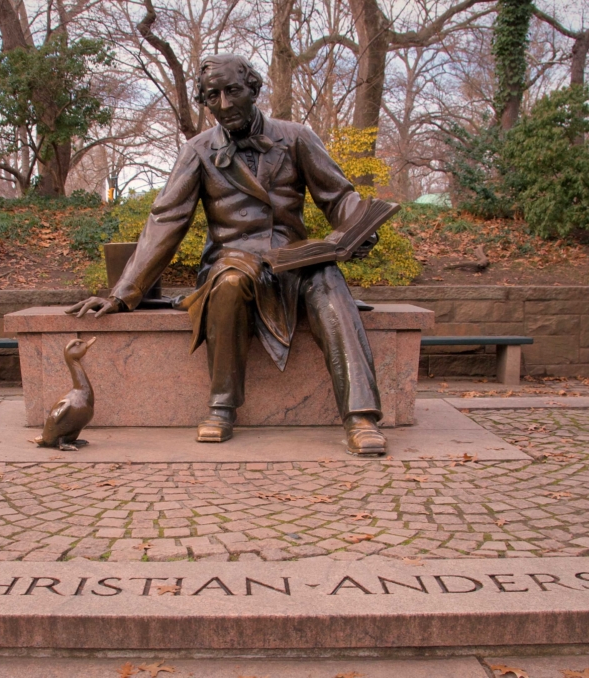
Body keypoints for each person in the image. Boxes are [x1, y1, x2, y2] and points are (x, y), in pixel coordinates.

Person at [67, 54, 386, 456]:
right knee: (230, 283)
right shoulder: (198, 150)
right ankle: (221, 407)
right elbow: (167, 220)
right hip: (233, 260)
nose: (223, 103)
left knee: (328, 281)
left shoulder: (297, 137)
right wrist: (122, 293)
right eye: (212, 95)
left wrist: (359, 227)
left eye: (232, 91)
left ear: (253, 90)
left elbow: (339, 197)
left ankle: (360, 416)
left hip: (292, 260)